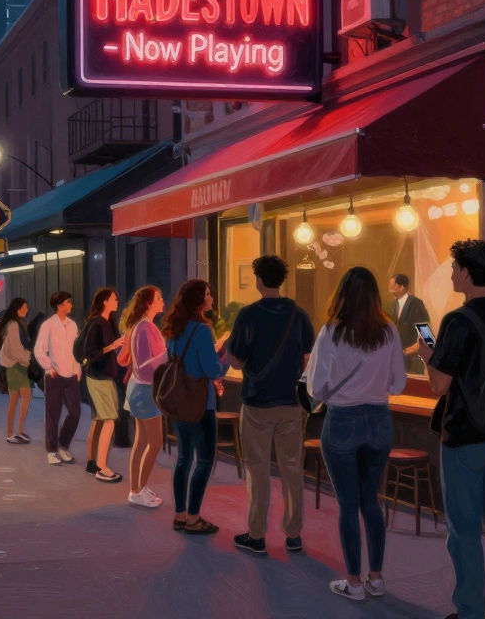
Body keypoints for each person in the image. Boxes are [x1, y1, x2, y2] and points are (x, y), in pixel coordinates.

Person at [416, 240, 485, 619]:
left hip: (464, 439)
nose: (449, 273)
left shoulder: (457, 321)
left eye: (453, 267)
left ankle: (470, 611)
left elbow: (440, 386)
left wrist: (428, 355)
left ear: (465, 272)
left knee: (463, 530)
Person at [305, 267, 408, 601]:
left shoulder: (332, 331)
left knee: (348, 504)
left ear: (342, 293)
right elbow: (399, 384)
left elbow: (317, 386)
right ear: (377, 294)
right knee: (371, 501)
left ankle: (352, 582)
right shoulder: (389, 331)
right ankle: (376, 578)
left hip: (343, 421)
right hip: (379, 420)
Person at [225, 255, 315, 554]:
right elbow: (307, 361)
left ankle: (257, 534)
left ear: (259, 280)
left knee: (258, 469)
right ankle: (293, 534)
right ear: (282, 280)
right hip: (291, 402)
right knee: (291, 468)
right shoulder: (299, 315)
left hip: (257, 403)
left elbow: (236, 362)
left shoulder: (247, 315)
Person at [163, 279, 228, 535]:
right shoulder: (202, 330)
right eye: (209, 294)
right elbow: (211, 369)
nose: (212, 298)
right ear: (200, 300)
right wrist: (225, 355)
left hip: (180, 401)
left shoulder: (176, 328)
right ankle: (194, 518)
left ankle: (180, 515)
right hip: (201, 404)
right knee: (204, 459)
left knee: (183, 458)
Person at [121, 285, 167, 508]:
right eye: (158, 298)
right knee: (155, 442)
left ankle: (137, 488)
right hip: (145, 390)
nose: (162, 301)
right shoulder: (146, 328)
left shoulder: (139, 326)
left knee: (141, 442)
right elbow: (144, 367)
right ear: (149, 303)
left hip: (138, 389)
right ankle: (138, 490)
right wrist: (167, 356)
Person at [82, 287, 126, 483]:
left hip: (105, 376)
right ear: (105, 302)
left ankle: (92, 464)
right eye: (114, 299)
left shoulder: (109, 323)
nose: (117, 301)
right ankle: (102, 467)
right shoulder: (96, 324)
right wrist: (113, 346)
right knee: (109, 419)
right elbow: (90, 354)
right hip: (98, 376)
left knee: (100, 419)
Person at [33, 291, 82, 466]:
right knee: (53, 415)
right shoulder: (48, 325)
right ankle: (52, 451)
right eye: (68, 302)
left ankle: (63, 445)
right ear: (59, 305)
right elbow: (39, 350)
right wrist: (49, 366)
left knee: (75, 413)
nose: (71, 305)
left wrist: (77, 368)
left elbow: (75, 350)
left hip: (71, 375)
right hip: (54, 376)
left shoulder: (73, 325)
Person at [0, 297, 32, 443]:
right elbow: (15, 350)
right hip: (15, 366)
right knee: (16, 398)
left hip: (17, 366)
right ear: (16, 309)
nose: (26, 310)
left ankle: (18, 431)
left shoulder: (17, 324)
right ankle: (11, 433)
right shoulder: (13, 325)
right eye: (24, 308)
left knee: (22, 397)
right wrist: (27, 359)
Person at [387, 274, 431, 374]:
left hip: (412, 362)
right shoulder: (394, 305)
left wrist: (407, 351)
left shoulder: (416, 304)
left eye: (392, 286)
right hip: (396, 362)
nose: (389, 289)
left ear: (401, 287)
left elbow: (427, 337)